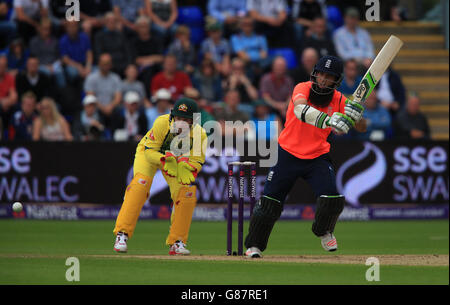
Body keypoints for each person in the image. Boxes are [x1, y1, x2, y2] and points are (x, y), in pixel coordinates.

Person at [244, 55, 367, 258]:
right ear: (315, 74)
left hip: (317, 156)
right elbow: (301, 109)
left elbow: (362, 127)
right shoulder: (302, 87)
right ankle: (254, 246)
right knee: (269, 204)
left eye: (329, 76)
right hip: (288, 153)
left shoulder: (339, 99)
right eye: (321, 74)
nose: (323, 79)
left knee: (332, 199)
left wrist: (356, 115)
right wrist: (329, 120)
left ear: (336, 80)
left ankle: (323, 230)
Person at [113, 98, 207, 255]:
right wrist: (164, 160)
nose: (180, 123)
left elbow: (197, 160)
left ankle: (177, 242)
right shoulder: (161, 123)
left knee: (186, 193)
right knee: (140, 185)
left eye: (185, 120)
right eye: (178, 118)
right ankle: (122, 234)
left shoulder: (200, 134)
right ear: (172, 116)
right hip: (150, 154)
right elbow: (150, 151)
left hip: (176, 160)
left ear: (194, 121)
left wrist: (189, 168)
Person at [130, 16, 164, 97]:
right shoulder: (133, 42)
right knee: (146, 72)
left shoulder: (157, 40)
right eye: (141, 27)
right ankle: (147, 97)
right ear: (137, 28)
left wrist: (147, 60)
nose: (144, 29)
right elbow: (136, 59)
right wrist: (152, 59)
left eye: (146, 26)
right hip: (140, 69)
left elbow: (161, 58)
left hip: (156, 67)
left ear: (149, 27)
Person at [84, 53, 123, 123]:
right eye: (103, 63)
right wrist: (103, 108)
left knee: (120, 110)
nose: (105, 66)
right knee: (90, 109)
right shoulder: (91, 78)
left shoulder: (116, 78)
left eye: (107, 63)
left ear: (111, 64)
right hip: (97, 107)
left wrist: (110, 106)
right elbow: (90, 96)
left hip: (112, 108)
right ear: (99, 64)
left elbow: (118, 97)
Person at [29, 19, 64, 87]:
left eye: (48, 29)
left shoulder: (55, 41)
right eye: (44, 29)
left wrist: (54, 66)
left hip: (54, 65)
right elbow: (33, 58)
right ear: (39, 29)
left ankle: (62, 92)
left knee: (60, 72)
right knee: (46, 72)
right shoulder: (34, 42)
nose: (47, 31)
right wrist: (46, 66)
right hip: (40, 65)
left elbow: (59, 57)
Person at [0, 55, 18, 130]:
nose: (2, 68)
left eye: (4, 66)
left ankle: (11, 135)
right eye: (0, 66)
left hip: (7, 105)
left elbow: (14, 96)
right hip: (2, 104)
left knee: (16, 108)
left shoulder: (10, 77)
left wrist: (6, 102)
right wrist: (1, 103)